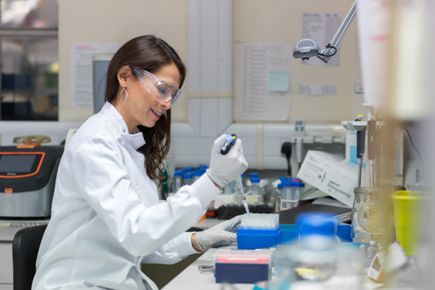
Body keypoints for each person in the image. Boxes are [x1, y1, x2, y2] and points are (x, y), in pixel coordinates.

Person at [32, 35, 248, 290]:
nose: (167, 103)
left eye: (173, 95)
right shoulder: (95, 143)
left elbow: (142, 239)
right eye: (162, 88)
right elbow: (136, 234)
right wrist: (212, 180)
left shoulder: (131, 145)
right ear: (125, 76)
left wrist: (197, 241)